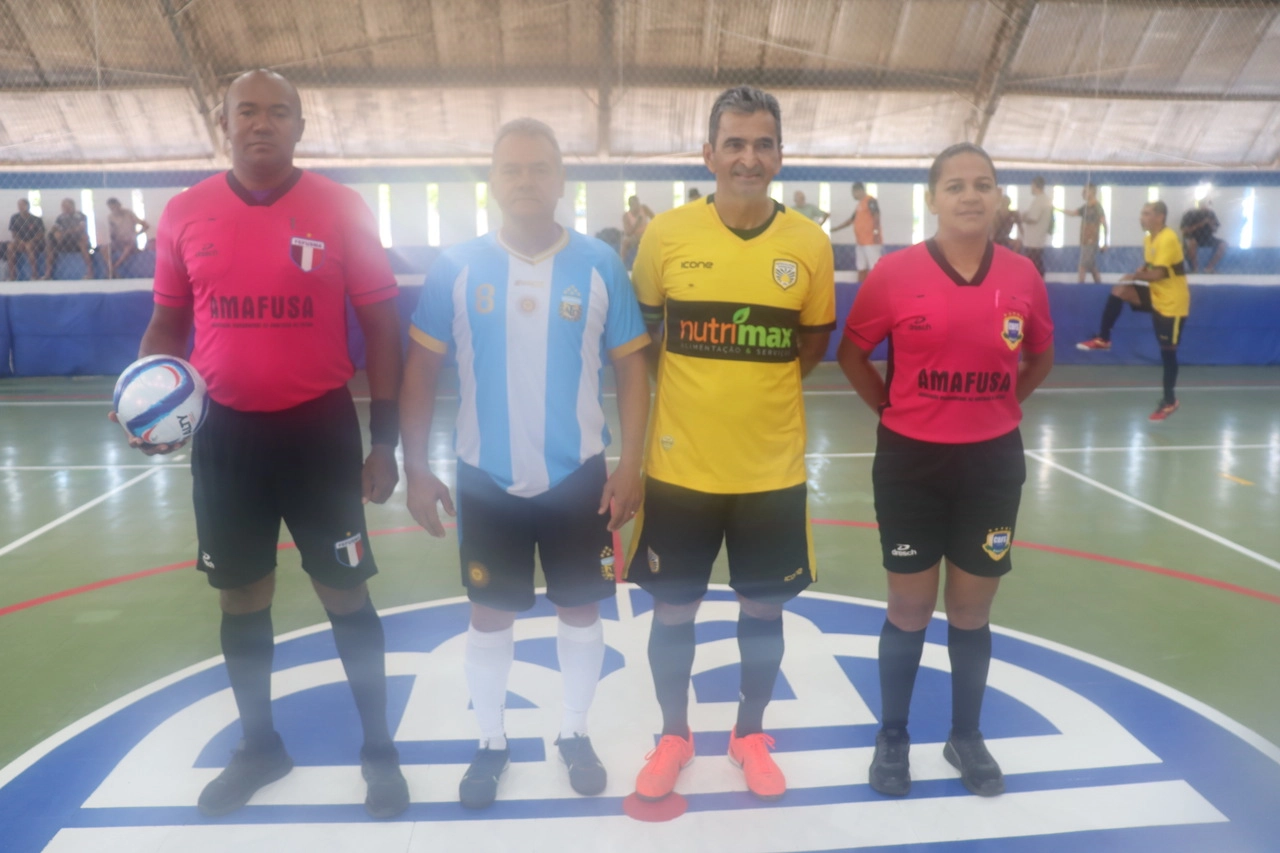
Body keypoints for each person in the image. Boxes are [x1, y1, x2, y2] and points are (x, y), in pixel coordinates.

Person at [115, 69, 409, 819]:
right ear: (225, 122)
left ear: (300, 126)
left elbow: (380, 327)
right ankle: (259, 746)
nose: (263, 123)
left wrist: (386, 443)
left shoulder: (341, 208)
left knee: (345, 588)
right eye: (248, 110)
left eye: (279, 112)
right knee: (242, 591)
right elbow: (168, 327)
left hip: (319, 430)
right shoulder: (184, 212)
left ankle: (379, 748)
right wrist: (145, 400)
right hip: (227, 435)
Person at [401, 118, 650, 810]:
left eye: (539, 168)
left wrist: (632, 464)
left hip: (580, 477)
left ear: (561, 179)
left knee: (580, 609)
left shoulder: (601, 266)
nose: (525, 181)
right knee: (489, 616)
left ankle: (573, 730)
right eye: (511, 169)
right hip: (487, 476)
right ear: (492, 181)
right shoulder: (457, 266)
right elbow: (421, 367)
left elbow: (633, 368)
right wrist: (416, 466)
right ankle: (491, 741)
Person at [626, 85, 836, 803]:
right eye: (735, 143)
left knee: (763, 611)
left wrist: (751, 389)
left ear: (780, 155)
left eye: (764, 143)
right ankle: (674, 735)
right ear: (708, 153)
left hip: (770, 473)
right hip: (680, 470)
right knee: (674, 610)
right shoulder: (666, 235)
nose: (749, 157)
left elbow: (810, 345)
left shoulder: (808, 243)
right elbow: (644, 341)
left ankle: (749, 734)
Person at [837, 142, 1054, 800]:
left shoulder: (1022, 276)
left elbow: (1039, 357)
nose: (970, 195)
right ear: (932, 198)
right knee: (908, 604)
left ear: (998, 198)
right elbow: (852, 353)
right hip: (911, 460)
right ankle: (894, 736)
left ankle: (966, 735)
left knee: (970, 606)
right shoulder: (896, 274)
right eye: (955, 185)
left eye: (983, 184)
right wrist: (893, 406)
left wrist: (998, 409)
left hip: (992, 463)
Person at [1076, 201, 1189, 421]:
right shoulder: (1149, 239)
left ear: (1160, 217)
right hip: (1156, 296)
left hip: (1172, 303)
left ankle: (1169, 400)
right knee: (1120, 290)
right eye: (1141, 213)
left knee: (1168, 352)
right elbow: (1151, 267)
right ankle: (1103, 338)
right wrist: (1141, 270)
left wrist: (1135, 275)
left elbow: (1159, 275)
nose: (1141, 217)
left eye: (1146, 213)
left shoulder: (1168, 238)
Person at [831, 181, 882, 280]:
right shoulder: (859, 205)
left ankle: (877, 287)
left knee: (874, 265)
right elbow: (851, 220)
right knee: (861, 266)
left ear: (859, 191)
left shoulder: (870, 201)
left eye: (853, 192)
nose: (853, 195)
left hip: (870, 240)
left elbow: (876, 215)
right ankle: (861, 287)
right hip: (860, 242)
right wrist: (835, 229)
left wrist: (876, 232)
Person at [1062, 183, 1108, 283]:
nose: (1083, 193)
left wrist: (1105, 242)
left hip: (1091, 240)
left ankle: (1080, 287)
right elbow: (1073, 213)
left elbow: (1104, 223)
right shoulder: (1085, 208)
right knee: (1091, 266)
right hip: (1084, 240)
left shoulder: (1097, 207)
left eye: (1085, 191)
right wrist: (1057, 209)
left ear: (1092, 192)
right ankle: (1099, 285)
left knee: (1082, 266)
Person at [45, 198, 94, 279]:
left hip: (77, 240)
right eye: (63, 207)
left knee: (83, 242)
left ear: (72, 206)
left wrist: (64, 232)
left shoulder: (81, 216)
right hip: (64, 241)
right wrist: (54, 233)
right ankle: (48, 274)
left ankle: (90, 273)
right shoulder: (60, 217)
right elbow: (55, 228)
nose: (65, 209)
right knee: (50, 246)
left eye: (67, 206)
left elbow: (81, 228)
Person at [106, 197, 150, 278]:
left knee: (128, 248)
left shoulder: (129, 213)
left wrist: (135, 235)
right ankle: (113, 270)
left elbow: (146, 226)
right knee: (104, 248)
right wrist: (114, 236)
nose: (114, 210)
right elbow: (112, 234)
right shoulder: (110, 217)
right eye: (111, 208)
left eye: (115, 207)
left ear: (119, 205)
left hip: (130, 241)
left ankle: (113, 268)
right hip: (119, 241)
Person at [1180, 199, 1225, 273]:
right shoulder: (1189, 214)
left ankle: (1209, 268)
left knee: (1223, 245)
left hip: (1208, 238)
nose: (1205, 206)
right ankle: (1195, 269)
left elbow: (1215, 230)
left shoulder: (1211, 213)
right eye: (1203, 204)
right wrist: (1200, 224)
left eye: (1207, 204)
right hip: (1194, 237)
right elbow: (1183, 230)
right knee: (1192, 242)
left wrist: (1210, 224)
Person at [1019, 176, 1052, 276]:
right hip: (1037, 239)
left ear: (1035, 186)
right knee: (1036, 263)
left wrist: (1023, 218)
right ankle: (1039, 283)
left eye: (1032, 186)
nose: (1031, 188)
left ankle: (1038, 284)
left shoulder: (1040, 200)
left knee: (1034, 264)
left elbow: (1033, 219)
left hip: (1034, 240)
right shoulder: (1044, 199)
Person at [8, 198, 45, 280]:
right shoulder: (14, 218)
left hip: (33, 242)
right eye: (19, 205)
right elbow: (14, 233)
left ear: (28, 206)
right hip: (19, 242)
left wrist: (31, 241)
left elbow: (41, 234)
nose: (21, 207)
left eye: (23, 205)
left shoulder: (36, 219)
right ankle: (12, 275)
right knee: (10, 247)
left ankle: (34, 274)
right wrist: (20, 241)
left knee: (28, 246)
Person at [620, 195, 654, 269]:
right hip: (634, 236)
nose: (638, 207)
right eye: (635, 205)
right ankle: (621, 264)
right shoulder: (626, 216)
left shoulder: (644, 208)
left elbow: (654, 218)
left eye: (638, 204)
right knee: (625, 241)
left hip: (646, 234)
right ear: (630, 206)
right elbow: (627, 233)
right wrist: (636, 224)